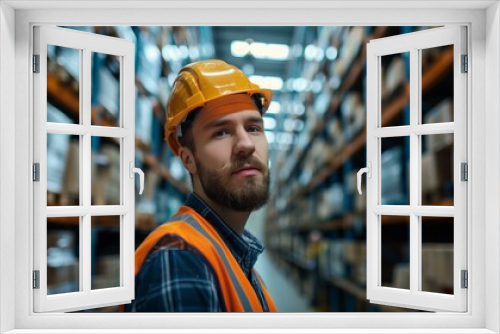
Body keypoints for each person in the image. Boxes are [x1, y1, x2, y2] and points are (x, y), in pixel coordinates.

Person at [124, 59, 278, 312]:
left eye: (253, 128)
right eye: (221, 132)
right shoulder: (179, 259)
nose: (246, 144)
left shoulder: (233, 254)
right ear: (188, 159)